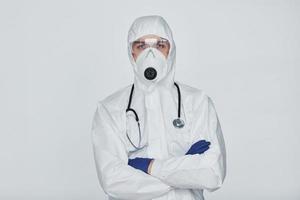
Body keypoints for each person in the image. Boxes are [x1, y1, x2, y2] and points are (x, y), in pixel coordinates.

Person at [91, 15, 226, 200]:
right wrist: (184, 170)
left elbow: (212, 173)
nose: (151, 54)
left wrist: (149, 167)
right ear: (131, 53)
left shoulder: (197, 102)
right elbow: (113, 180)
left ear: (170, 51)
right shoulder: (110, 109)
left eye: (160, 45)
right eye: (141, 46)